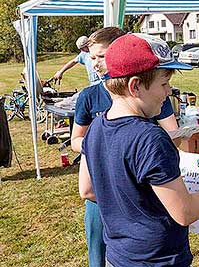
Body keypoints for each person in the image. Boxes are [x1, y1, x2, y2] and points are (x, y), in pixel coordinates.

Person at [79, 33, 199, 266]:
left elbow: (87, 189)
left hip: (118, 257)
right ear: (135, 86)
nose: (168, 92)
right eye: (164, 84)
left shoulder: (95, 127)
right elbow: (184, 212)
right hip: (158, 259)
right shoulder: (150, 138)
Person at [72, 27, 179, 267]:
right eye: (92, 58)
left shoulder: (151, 97)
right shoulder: (90, 98)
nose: (97, 64)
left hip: (145, 196)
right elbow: (78, 142)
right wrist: (106, 149)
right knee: (99, 252)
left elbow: (173, 133)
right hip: (110, 194)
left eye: (102, 56)